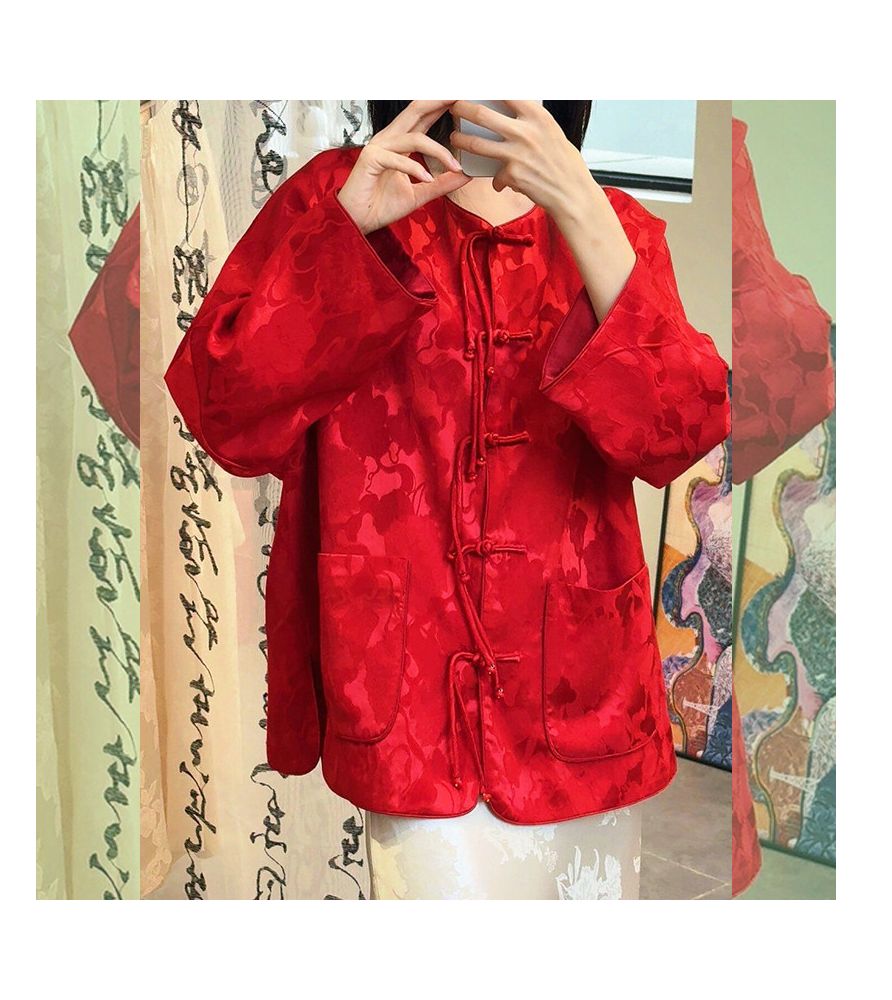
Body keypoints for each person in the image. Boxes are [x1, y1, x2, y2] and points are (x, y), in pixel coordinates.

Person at [164, 99, 730, 899]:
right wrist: (347, 233)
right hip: (409, 690)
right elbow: (225, 411)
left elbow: (679, 433)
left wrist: (580, 205)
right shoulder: (344, 193)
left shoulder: (610, 223)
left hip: (581, 684)